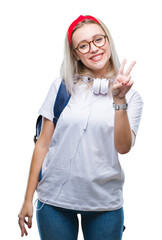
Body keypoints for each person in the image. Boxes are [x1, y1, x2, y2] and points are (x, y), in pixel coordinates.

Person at [18, 15, 143, 240]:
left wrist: (119, 101)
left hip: (104, 202)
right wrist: (28, 199)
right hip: (54, 201)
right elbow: (42, 145)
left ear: (108, 41)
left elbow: (123, 147)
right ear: (75, 54)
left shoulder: (131, 97)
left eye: (98, 40)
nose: (93, 48)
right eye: (83, 45)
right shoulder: (61, 87)